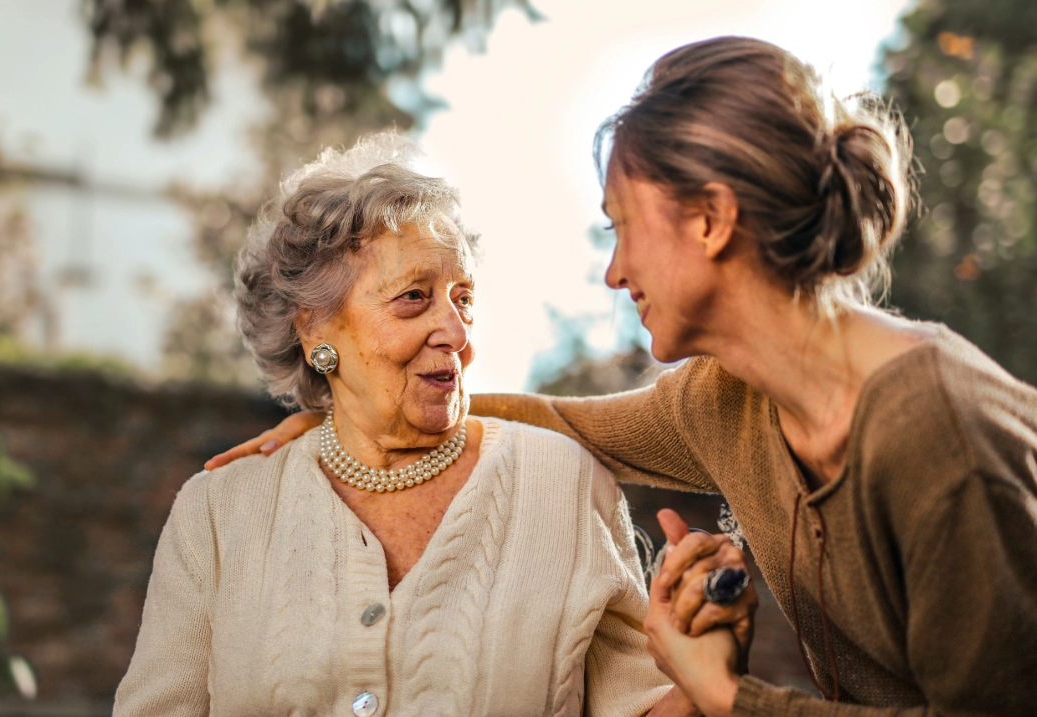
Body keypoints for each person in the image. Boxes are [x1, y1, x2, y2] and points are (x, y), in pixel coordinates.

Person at [209, 37, 1037, 717]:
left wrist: (723, 691)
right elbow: (564, 422)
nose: (614, 271)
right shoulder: (728, 400)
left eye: (624, 227)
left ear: (711, 220)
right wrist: (356, 419)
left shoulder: (936, 432)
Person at [113, 133, 716, 717]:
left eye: (464, 299)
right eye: (413, 298)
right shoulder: (218, 513)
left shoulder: (565, 484)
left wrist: (701, 681)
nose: (455, 333)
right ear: (314, 328)